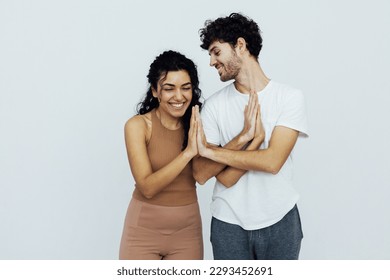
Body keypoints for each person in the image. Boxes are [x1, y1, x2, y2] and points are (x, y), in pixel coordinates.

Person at [193, 13, 309, 260]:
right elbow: (202, 173)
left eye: (216, 52)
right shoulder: (213, 106)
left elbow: (272, 162)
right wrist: (247, 139)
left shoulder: (289, 97)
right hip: (228, 223)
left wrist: (213, 152)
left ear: (241, 45)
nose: (212, 62)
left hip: (281, 221)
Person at [119, 50, 203, 260]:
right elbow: (147, 187)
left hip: (187, 233)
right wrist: (188, 153)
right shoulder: (138, 126)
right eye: (169, 89)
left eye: (186, 88)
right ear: (155, 91)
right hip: (142, 233)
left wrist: (247, 138)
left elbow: (203, 175)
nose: (179, 96)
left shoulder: (198, 124)